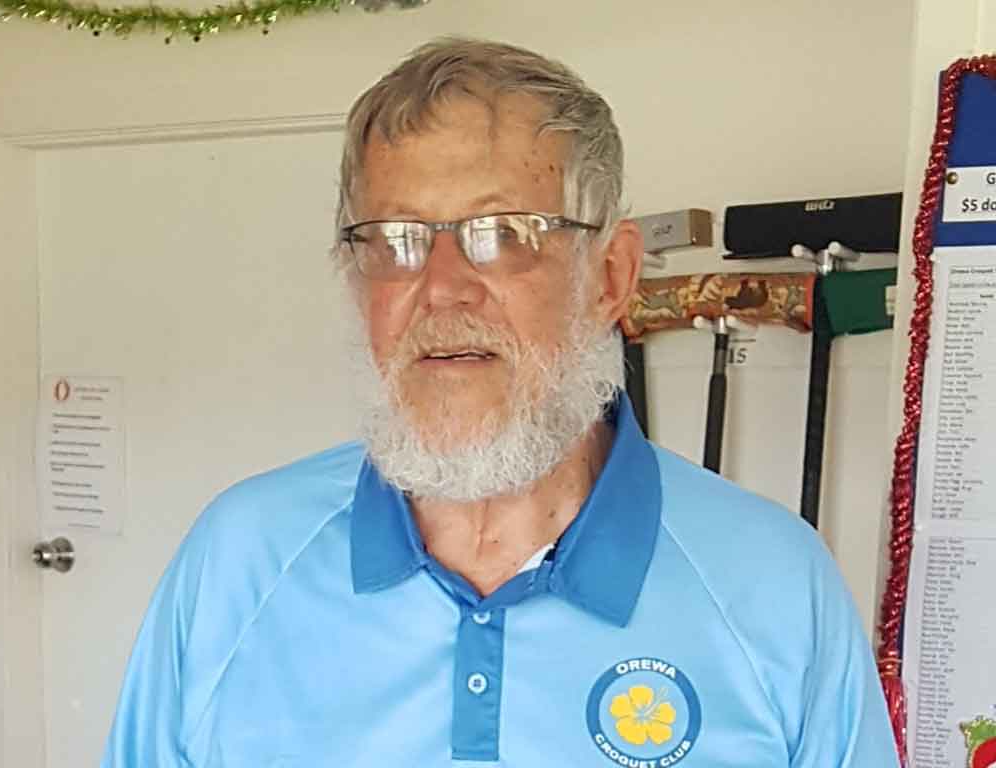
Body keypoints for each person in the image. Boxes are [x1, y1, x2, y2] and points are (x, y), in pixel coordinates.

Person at [102, 38, 899, 768]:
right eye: (397, 240)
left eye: (504, 233)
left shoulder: (773, 586)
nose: (442, 287)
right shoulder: (239, 561)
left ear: (610, 278)